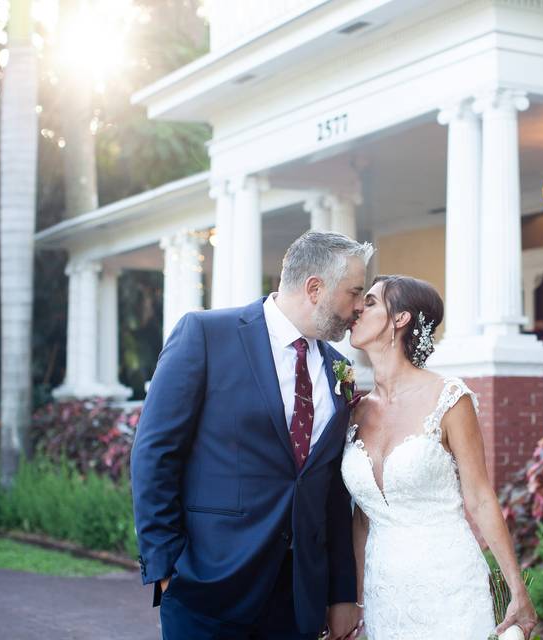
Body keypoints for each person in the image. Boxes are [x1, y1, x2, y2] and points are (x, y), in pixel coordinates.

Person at [131, 231, 373, 640]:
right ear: (315, 288)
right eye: (354, 292)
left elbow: (333, 490)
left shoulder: (338, 368)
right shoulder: (206, 335)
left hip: (297, 599)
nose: (359, 307)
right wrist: (166, 567)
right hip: (208, 586)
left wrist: (340, 593)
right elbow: (155, 453)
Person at [341, 274, 538, 639]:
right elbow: (362, 519)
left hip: (449, 586)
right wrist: (356, 601)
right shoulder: (356, 410)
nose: (356, 309)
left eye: (369, 302)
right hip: (383, 591)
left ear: (400, 319)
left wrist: (517, 589)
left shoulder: (449, 399)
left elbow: (479, 498)